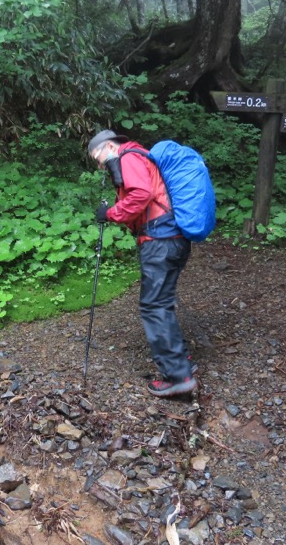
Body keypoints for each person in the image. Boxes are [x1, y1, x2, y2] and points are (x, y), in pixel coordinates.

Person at [87, 129, 197, 397]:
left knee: (153, 306)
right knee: (162, 302)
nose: (99, 164)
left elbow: (141, 194)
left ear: (110, 146)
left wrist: (111, 213)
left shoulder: (128, 157)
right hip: (172, 239)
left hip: (160, 240)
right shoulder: (141, 157)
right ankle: (182, 362)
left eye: (97, 156)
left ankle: (177, 377)